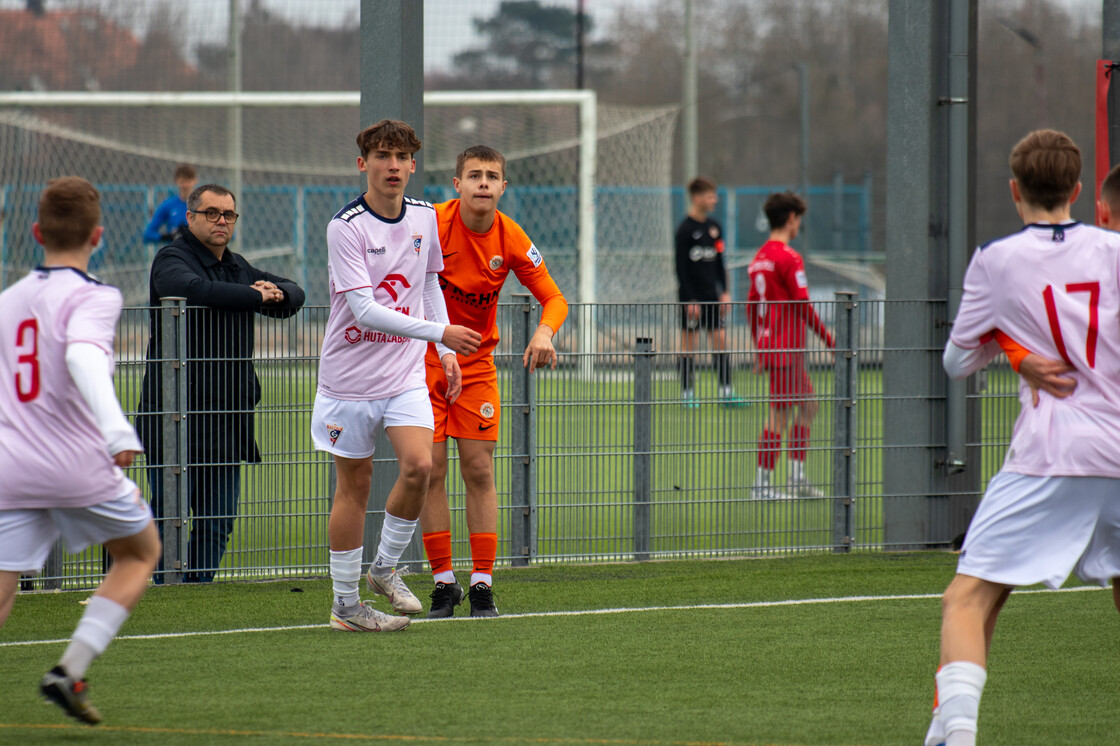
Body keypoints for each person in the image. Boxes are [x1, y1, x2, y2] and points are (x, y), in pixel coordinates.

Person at [925, 129, 1120, 746]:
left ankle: (957, 735)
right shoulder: (1114, 251)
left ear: (1015, 191)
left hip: (1051, 453)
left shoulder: (997, 260)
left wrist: (1014, 351)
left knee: (966, 599)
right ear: (1079, 190)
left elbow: (957, 362)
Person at [0, 177, 161, 724]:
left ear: (35, 232)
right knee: (140, 553)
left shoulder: (8, 301)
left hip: (10, 469)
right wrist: (117, 433)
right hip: (75, 466)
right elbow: (84, 360)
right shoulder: (96, 295)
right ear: (98, 236)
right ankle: (69, 670)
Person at [312, 120, 481, 633]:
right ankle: (345, 606)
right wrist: (442, 332)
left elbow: (429, 281)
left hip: (404, 375)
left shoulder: (425, 218)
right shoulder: (346, 226)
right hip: (347, 380)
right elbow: (363, 310)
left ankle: (384, 569)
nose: (392, 165)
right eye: (382, 156)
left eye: (401, 156)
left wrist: (439, 348)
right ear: (363, 164)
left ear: (413, 165)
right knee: (354, 488)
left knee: (419, 466)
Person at [420, 145, 569, 619]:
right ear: (457, 185)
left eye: (492, 176)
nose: (483, 182)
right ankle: (444, 583)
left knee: (479, 470)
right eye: (473, 175)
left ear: (503, 187)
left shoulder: (511, 237)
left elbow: (554, 297)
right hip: (422, 360)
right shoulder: (430, 225)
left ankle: (482, 584)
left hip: (478, 364)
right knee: (429, 469)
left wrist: (545, 331)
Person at [135, 184, 305, 583]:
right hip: (174, 414)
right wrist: (252, 294)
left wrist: (272, 295)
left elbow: (295, 293)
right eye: (212, 213)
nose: (221, 221)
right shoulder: (171, 257)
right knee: (169, 517)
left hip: (227, 418)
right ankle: (164, 589)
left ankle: (198, 590)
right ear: (190, 217)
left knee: (217, 521)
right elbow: (189, 289)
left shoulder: (237, 265)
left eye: (228, 214)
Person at [746, 191, 834, 499]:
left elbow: (752, 307)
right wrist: (830, 340)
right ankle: (762, 484)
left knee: (808, 406)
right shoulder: (788, 257)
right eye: (799, 221)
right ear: (792, 219)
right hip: (787, 348)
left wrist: (760, 348)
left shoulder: (759, 259)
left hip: (776, 347)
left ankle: (795, 478)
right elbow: (803, 304)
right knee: (779, 414)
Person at [674, 177, 746, 408]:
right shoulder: (684, 230)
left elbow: (719, 263)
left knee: (721, 341)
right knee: (688, 346)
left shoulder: (714, 228)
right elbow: (680, 269)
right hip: (691, 298)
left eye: (714, 196)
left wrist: (724, 292)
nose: (714, 200)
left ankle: (726, 392)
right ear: (697, 198)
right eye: (709, 196)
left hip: (712, 297)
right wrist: (689, 300)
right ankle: (688, 394)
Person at [143, 163, 197, 244]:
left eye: (188, 181)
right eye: (182, 181)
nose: (185, 185)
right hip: (175, 252)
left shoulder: (202, 204)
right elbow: (148, 234)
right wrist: (168, 236)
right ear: (177, 181)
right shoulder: (168, 205)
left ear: (195, 181)